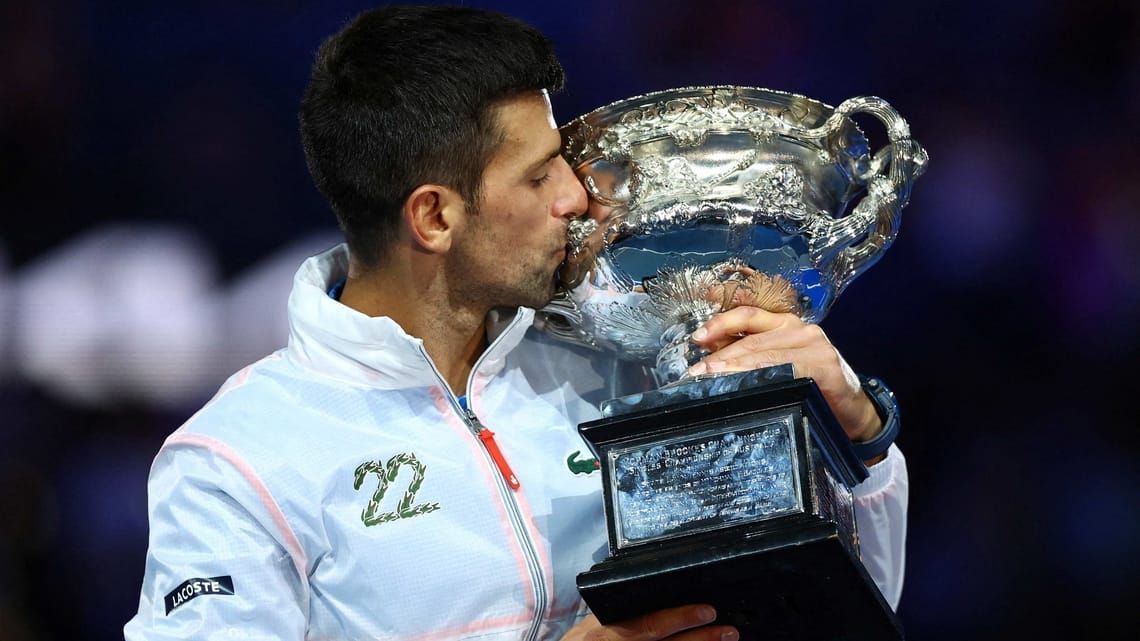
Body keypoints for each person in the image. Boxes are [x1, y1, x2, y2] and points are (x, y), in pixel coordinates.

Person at [125, 6, 907, 641]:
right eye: (538, 176)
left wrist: (856, 437)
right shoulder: (236, 462)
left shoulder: (626, 355)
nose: (576, 197)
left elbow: (836, 608)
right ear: (434, 216)